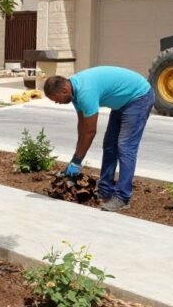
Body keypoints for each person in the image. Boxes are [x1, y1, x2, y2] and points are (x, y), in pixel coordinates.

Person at [43, 66, 155, 212]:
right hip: (122, 102)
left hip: (139, 97)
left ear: (64, 91)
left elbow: (90, 132)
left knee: (125, 147)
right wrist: (74, 159)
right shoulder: (74, 93)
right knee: (109, 145)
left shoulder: (85, 92)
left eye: (56, 99)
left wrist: (77, 162)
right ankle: (105, 190)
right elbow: (82, 127)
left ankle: (122, 197)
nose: (56, 103)